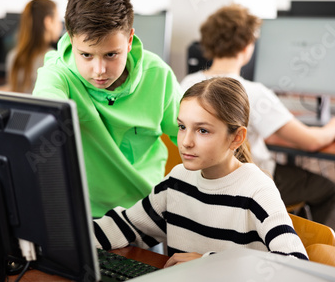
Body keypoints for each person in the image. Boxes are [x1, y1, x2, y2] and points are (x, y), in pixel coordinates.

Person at [93, 77, 308, 266]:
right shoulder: (178, 181)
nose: (186, 142)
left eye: (202, 130)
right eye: (182, 127)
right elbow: (126, 226)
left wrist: (209, 264)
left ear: (237, 138)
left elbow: (295, 265)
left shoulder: (256, 190)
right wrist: (65, 237)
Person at [179, 4, 335, 226]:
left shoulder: (188, 84)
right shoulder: (254, 92)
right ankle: (313, 251)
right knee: (327, 188)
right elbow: (311, 142)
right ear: (247, 45)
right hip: (251, 183)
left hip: (203, 182)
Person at [32, 0, 182, 218]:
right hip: (81, 214)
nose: (99, 69)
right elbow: (45, 106)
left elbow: (191, 139)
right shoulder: (57, 73)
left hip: (143, 213)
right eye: (87, 55)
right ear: (72, 40)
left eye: (111, 54)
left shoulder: (158, 75)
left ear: (130, 39)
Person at [5, 0, 63, 93]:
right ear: (48, 22)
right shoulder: (53, 58)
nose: (60, 25)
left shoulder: (13, 56)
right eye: (58, 19)